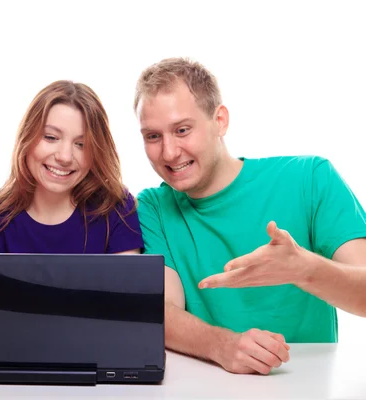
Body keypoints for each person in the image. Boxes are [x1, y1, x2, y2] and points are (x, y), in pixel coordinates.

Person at [134, 57, 366, 375]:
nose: (170, 152)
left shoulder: (311, 178)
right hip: (205, 386)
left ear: (220, 120)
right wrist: (222, 346)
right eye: (153, 136)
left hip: (304, 384)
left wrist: (304, 269)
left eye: (182, 130)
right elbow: (161, 310)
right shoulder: (153, 207)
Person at [0, 80, 143, 255]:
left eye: (81, 144)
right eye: (51, 137)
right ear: (26, 137)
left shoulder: (116, 210)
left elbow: (127, 281)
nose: (64, 157)